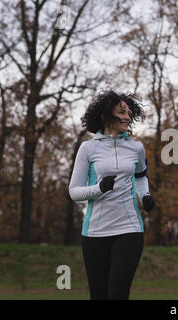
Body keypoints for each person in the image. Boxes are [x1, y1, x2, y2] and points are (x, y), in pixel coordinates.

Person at [69, 89, 155, 300]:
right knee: (99, 294)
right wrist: (98, 189)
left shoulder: (136, 148)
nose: (127, 117)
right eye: (122, 112)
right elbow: (74, 192)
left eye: (128, 112)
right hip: (95, 232)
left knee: (118, 293)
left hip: (129, 228)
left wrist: (144, 196)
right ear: (106, 116)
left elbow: (140, 176)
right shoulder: (88, 148)